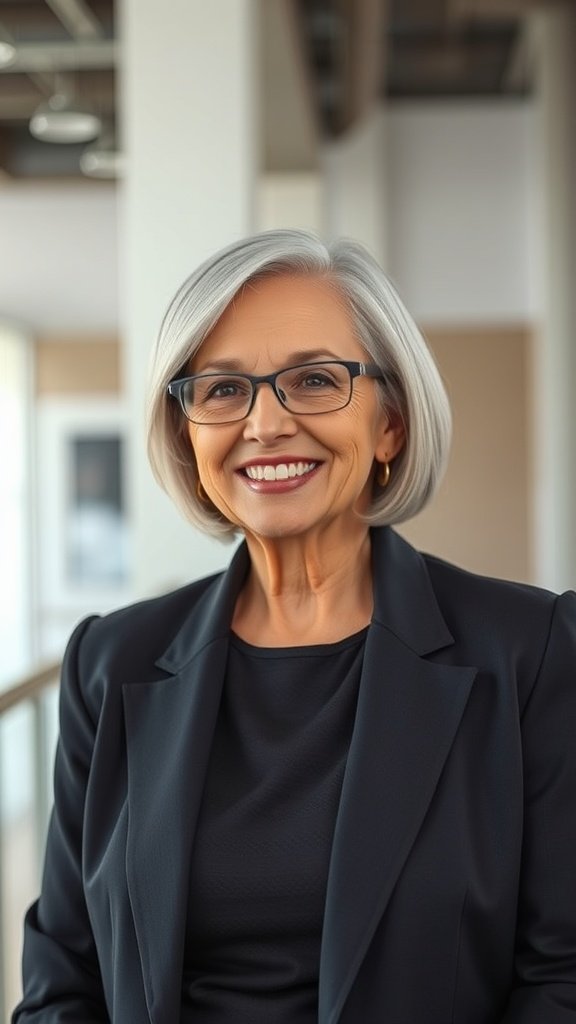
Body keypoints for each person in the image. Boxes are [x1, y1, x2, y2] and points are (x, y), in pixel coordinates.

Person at [14, 229, 576, 1024]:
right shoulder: (111, 663)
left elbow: (563, 977)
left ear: (391, 425)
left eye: (314, 380)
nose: (266, 424)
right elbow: (64, 983)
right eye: (221, 390)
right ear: (187, 433)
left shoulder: (533, 650)